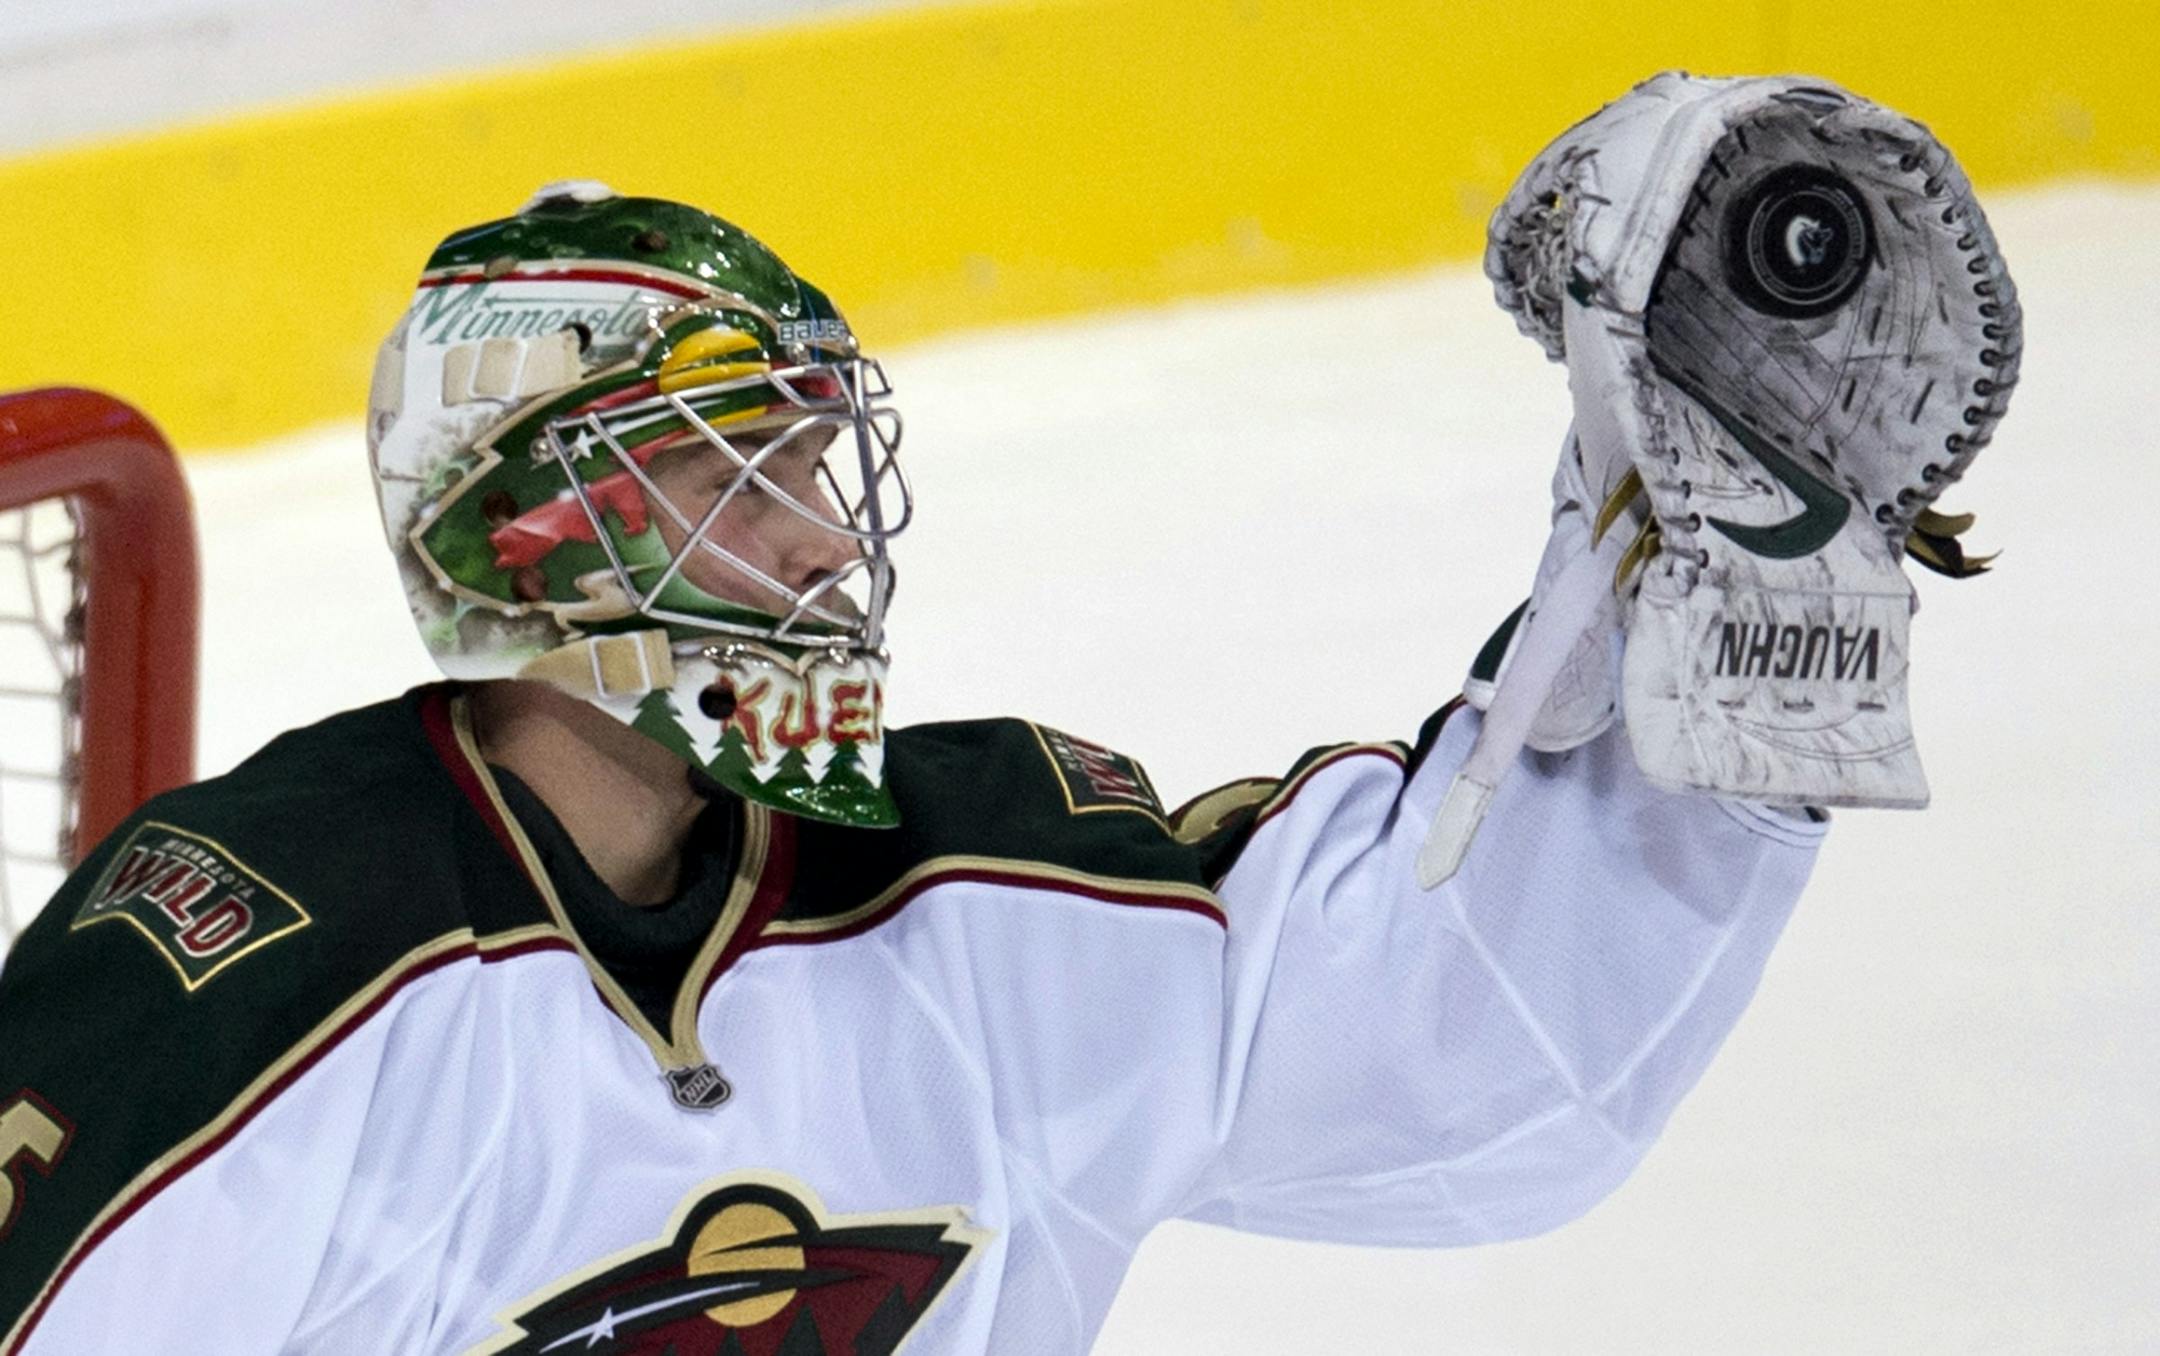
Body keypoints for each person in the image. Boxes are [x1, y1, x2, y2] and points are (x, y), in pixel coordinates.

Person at [0, 73, 2015, 1354]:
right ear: (531, 527)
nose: (816, 535)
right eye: (732, 468)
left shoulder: (983, 889)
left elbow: (1478, 1059)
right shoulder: (249, 971)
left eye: (815, 457)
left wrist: (1710, 596)